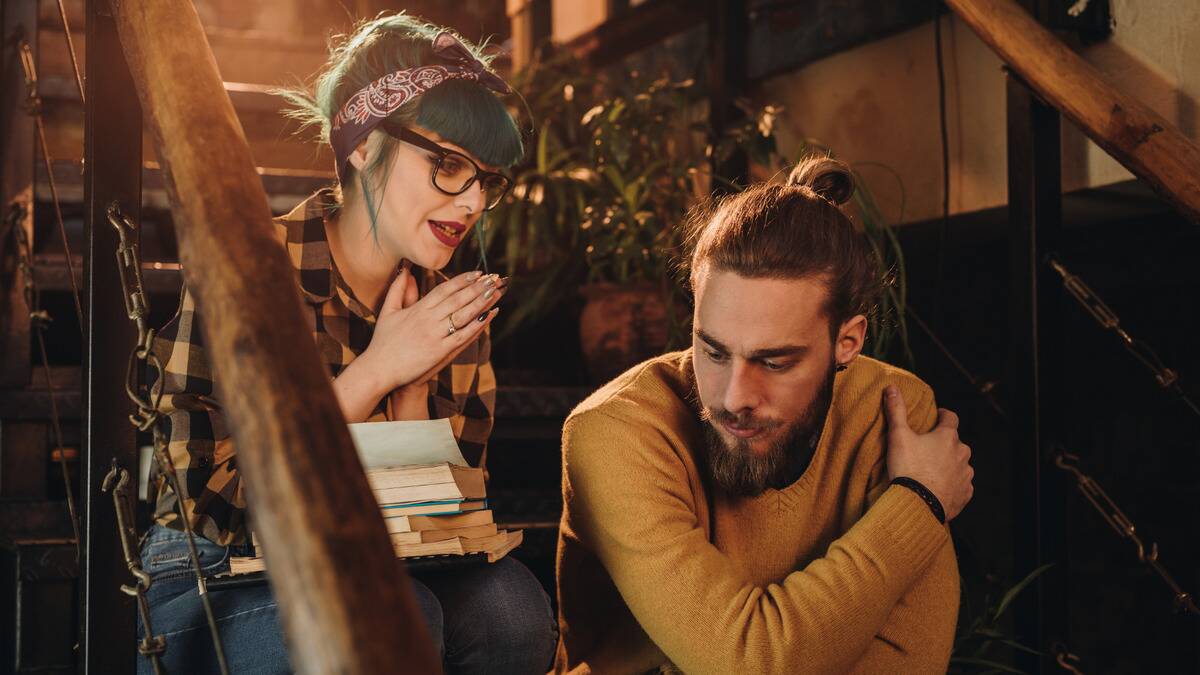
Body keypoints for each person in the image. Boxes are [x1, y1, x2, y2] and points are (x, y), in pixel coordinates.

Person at [137, 14, 556, 674]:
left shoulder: (446, 308)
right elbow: (210, 498)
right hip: (217, 577)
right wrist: (380, 368)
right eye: (448, 165)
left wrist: (413, 392)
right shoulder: (249, 266)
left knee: (515, 615)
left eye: (486, 178)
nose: (473, 200)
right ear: (362, 146)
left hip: (383, 560)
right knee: (397, 613)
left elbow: (453, 526)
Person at [554, 157, 974, 674]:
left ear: (848, 342)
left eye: (774, 362)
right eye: (713, 351)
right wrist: (920, 503)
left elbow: (909, 660)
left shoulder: (892, 411)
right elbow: (752, 663)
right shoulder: (615, 432)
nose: (734, 397)